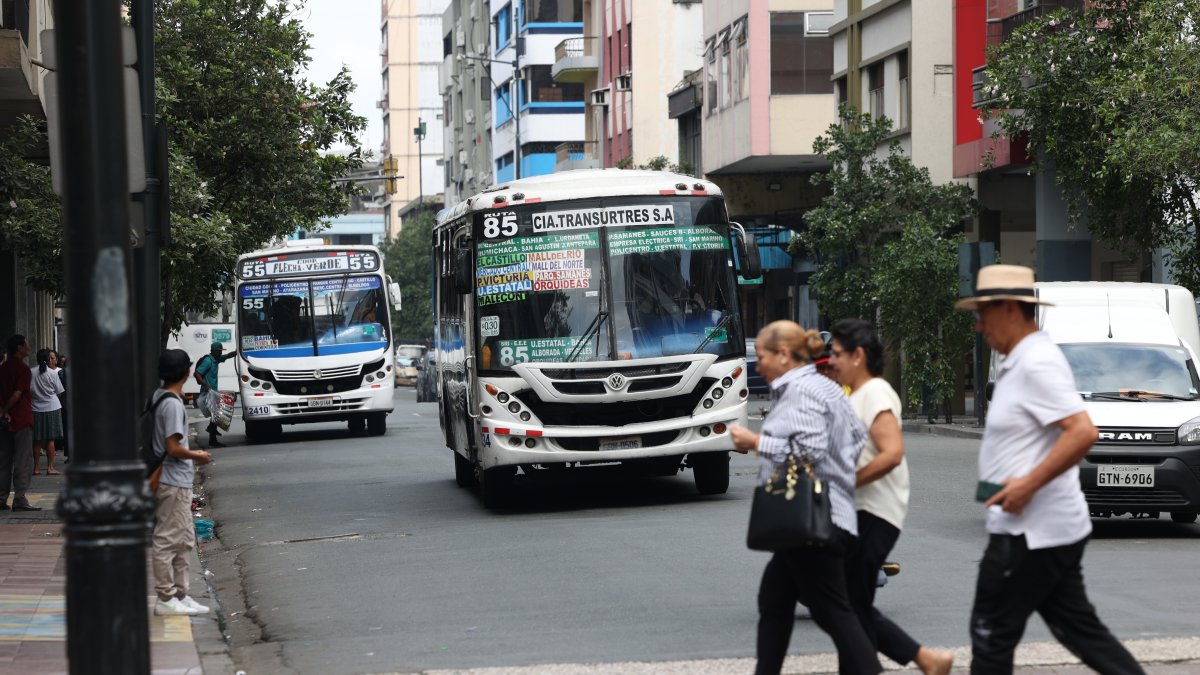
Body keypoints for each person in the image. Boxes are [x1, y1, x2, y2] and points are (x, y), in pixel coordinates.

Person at [955, 264, 1145, 675]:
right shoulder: (1017, 361)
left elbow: (1081, 432)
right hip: (1040, 529)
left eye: (982, 315)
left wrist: (1026, 485)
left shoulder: (1037, 361)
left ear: (1008, 309)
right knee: (1077, 629)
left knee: (991, 635)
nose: (979, 327)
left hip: (1032, 532)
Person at [730, 320, 882, 675]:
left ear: (784, 355)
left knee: (835, 613)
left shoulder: (803, 392)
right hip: (819, 518)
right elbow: (856, 438)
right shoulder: (822, 387)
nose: (757, 365)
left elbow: (809, 450)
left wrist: (756, 444)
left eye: (762, 356)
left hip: (813, 519)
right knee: (775, 602)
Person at [828, 319, 953, 675]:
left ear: (858, 355)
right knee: (852, 607)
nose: (832, 361)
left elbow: (891, 453)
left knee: (846, 608)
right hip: (858, 512)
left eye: (837, 354)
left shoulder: (876, 393)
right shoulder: (856, 397)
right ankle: (926, 660)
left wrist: (847, 482)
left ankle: (918, 659)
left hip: (874, 513)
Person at [151, 349, 214, 616]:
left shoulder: (161, 396)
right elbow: (172, 447)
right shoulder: (172, 404)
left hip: (178, 481)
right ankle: (166, 597)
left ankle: (181, 594)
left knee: (185, 538)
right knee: (167, 539)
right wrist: (197, 455)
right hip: (172, 481)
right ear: (187, 373)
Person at [0, 335, 41, 511]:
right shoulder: (23, 369)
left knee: (4, 460)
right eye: (26, 344)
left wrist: (2, 411)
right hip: (21, 418)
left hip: (4, 420)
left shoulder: (2, 369)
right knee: (23, 460)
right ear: (19, 348)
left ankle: (1, 498)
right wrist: (6, 409)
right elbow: (17, 394)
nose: (29, 347)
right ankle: (20, 499)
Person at [30, 348, 65, 476]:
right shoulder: (52, 373)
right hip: (52, 407)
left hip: (35, 408)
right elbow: (59, 391)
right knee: (51, 440)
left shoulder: (31, 372)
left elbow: (28, 391)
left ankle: (36, 468)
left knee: (37, 440)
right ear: (47, 359)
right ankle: (50, 468)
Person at [194, 341, 234, 448]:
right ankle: (211, 430)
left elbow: (228, 355)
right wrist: (205, 385)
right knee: (216, 413)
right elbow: (197, 374)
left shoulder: (216, 359)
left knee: (215, 413)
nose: (221, 353)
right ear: (214, 351)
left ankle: (212, 437)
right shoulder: (208, 361)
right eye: (219, 351)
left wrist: (238, 351)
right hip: (207, 392)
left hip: (213, 391)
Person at [55, 354, 68, 460]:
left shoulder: (61, 372)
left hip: (64, 404)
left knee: (66, 428)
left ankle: (69, 454)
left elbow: (59, 390)